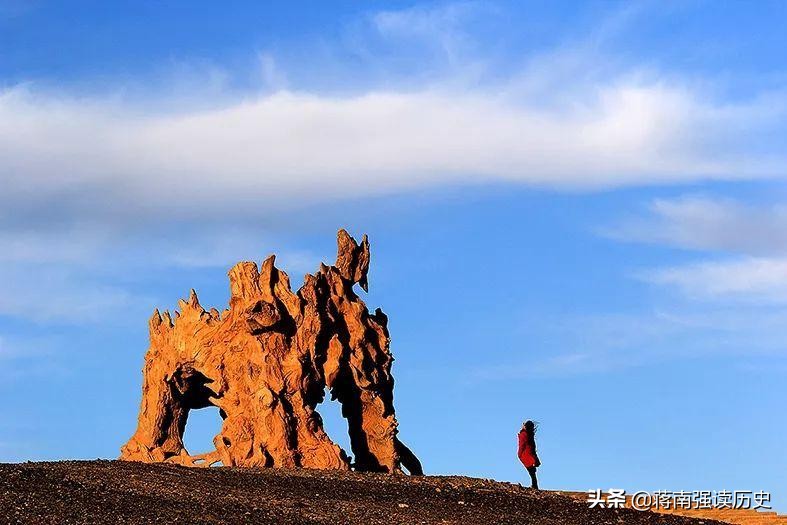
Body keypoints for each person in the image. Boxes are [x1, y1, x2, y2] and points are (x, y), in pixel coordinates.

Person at [517, 420, 541, 489]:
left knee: (531, 470)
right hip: (530, 454)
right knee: (532, 471)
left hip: (526, 454)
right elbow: (533, 445)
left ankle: (534, 485)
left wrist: (519, 453)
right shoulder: (530, 434)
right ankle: (535, 485)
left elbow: (522, 445)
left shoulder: (524, 434)